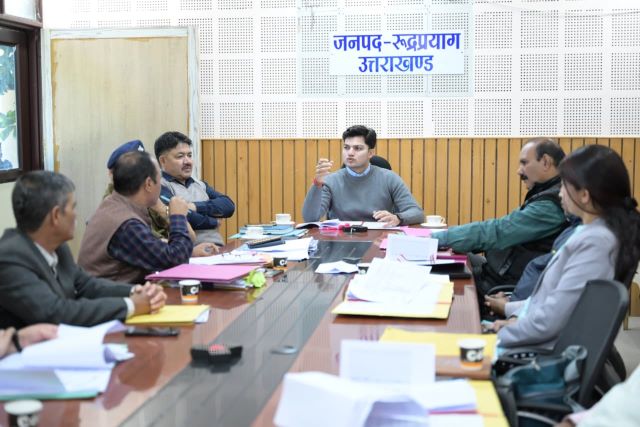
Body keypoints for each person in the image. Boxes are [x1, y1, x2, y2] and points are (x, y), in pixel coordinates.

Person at [490, 145, 640, 352]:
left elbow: (549, 322)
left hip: (540, 353)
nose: (560, 193)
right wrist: (508, 310)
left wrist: (495, 335)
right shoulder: (589, 233)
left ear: (584, 195)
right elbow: (550, 302)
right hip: (533, 338)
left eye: (564, 186)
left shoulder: (596, 242)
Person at [0, 171, 166, 329]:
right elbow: (55, 312)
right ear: (56, 215)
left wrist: (136, 291)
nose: (76, 215)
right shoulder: (10, 258)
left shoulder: (57, 246)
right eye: (73, 207)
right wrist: (131, 305)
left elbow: (87, 285)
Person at [432, 138, 568, 298]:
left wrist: (437, 238)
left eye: (524, 163)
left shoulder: (550, 205)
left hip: (501, 284)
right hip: (501, 270)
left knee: (438, 280)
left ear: (545, 162)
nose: (519, 171)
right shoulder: (547, 194)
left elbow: (498, 231)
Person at [79, 151, 214, 283]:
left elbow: (154, 248)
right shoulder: (126, 223)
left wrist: (190, 252)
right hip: (116, 296)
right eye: (159, 180)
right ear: (149, 184)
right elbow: (175, 262)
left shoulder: (114, 204)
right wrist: (178, 217)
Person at [302, 125, 424, 226]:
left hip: (379, 239)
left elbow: (417, 213)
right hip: (341, 240)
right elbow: (310, 218)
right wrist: (317, 184)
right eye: (346, 147)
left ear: (370, 153)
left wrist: (398, 218)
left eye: (358, 148)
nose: (350, 153)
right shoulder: (330, 180)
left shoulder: (389, 178)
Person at [484, 215, 581, 318]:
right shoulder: (572, 231)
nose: (562, 201)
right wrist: (510, 299)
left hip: (528, 317)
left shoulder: (581, 239)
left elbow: (557, 306)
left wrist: (509, 308)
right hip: (522, 306)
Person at [154, 131, 235, 246]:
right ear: (163, 161)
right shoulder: (159, 186)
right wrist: (214, 221)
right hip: (191, 251)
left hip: (218, 247)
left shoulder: (199, 184)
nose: (187, 161)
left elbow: (228, 206)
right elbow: (183, 216)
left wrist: (194, 206)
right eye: (180, 156)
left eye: (189, 155)